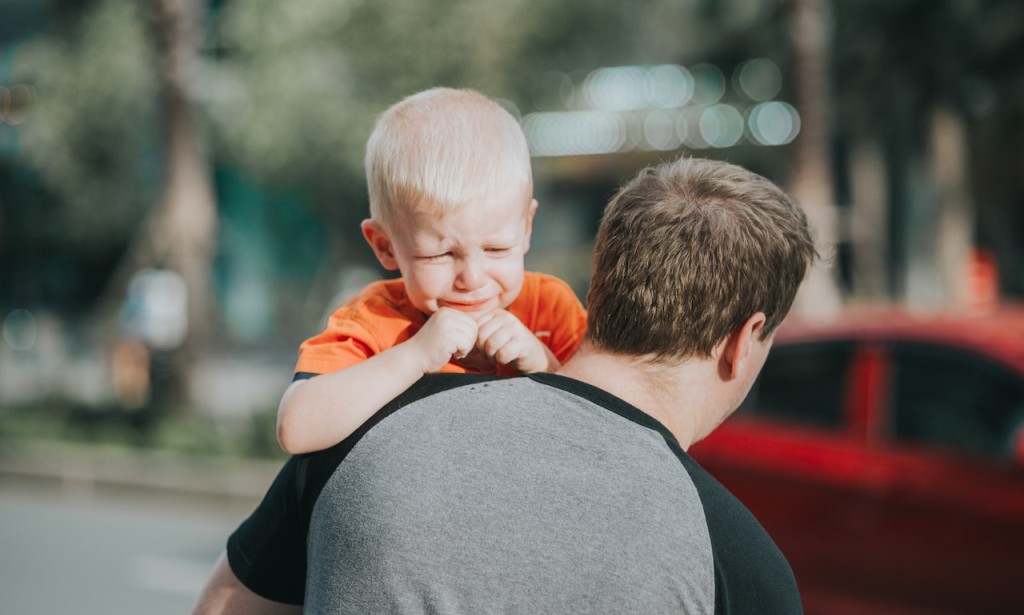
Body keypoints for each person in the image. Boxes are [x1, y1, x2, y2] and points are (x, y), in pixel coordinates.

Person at [193, 155, 816, 614]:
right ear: (743, 340)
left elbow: (223, 607)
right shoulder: (741, 566)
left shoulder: (361, 435)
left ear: (602, 283)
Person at [276, 87, 588, 454]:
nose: (472, 279)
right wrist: (415, 355)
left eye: (496, 249)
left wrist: (544, 363)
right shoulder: (375, 320)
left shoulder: (550, 308)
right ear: (384, 246)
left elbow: (608, 427)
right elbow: (297, 430)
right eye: (439, 255)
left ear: (526, 228)